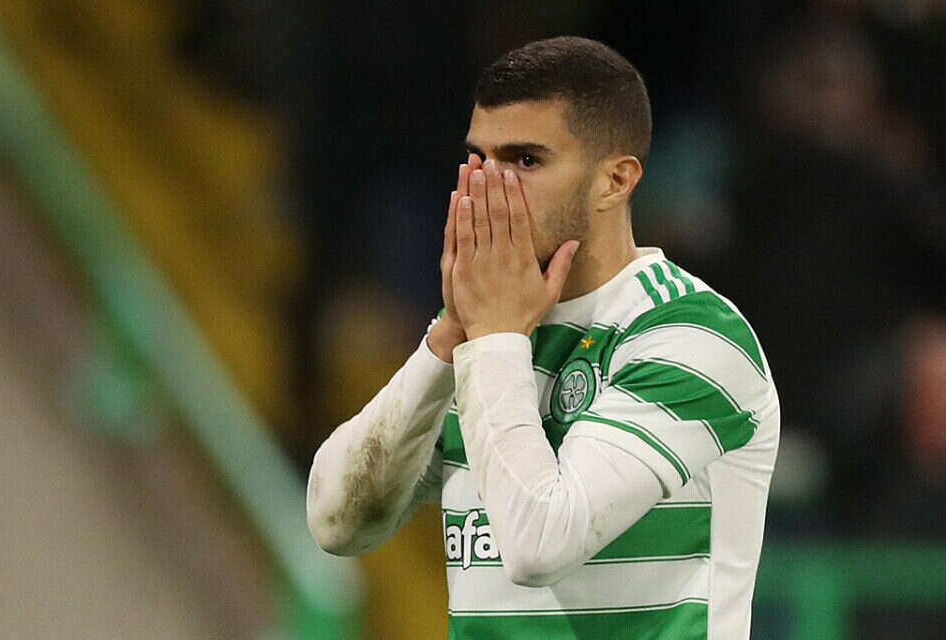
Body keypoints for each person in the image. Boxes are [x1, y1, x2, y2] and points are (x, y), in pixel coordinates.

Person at [307, 36, 779, 639]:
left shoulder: (691, 334)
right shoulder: (487, 340)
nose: (489, 187)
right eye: (479, 159)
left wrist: (491, 334)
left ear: (615, 180)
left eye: (525, 161)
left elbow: (538, 547)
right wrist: (451, 335)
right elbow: (337, 523)